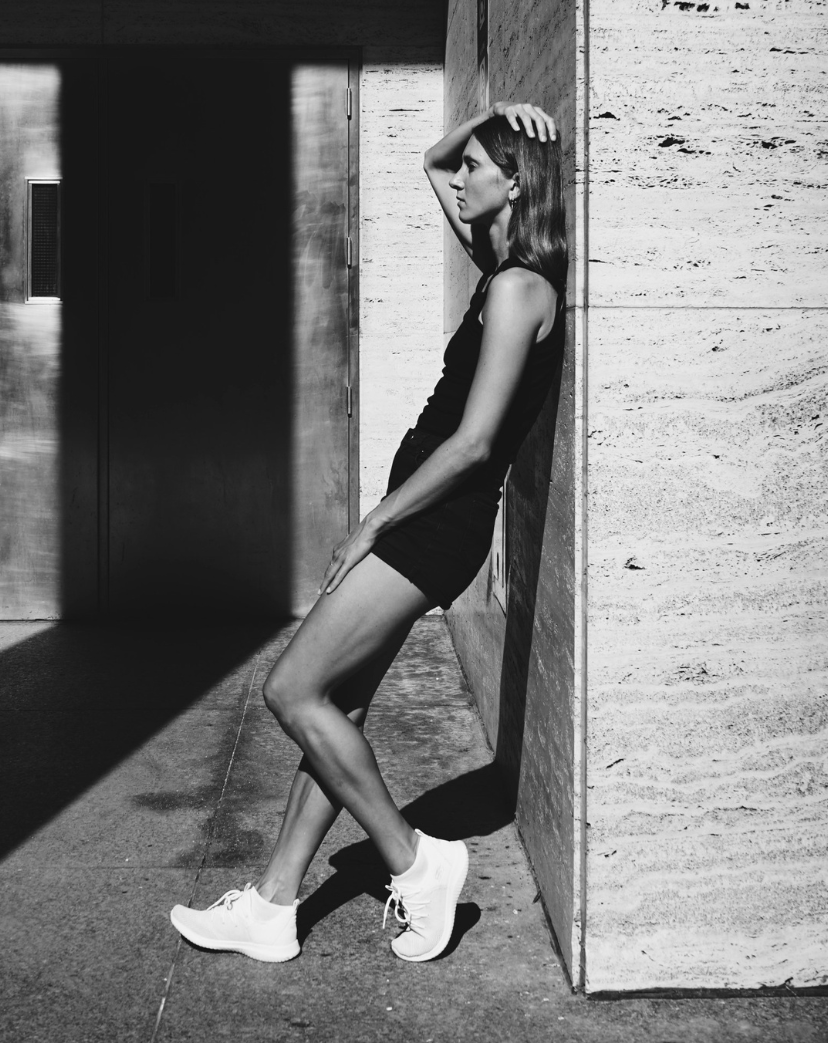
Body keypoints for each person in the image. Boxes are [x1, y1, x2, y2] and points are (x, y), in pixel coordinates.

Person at [170, 100, 567, 964]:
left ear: (515, 184)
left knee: (292, 691)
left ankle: (416, 861)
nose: (460, 178)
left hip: (431, 527)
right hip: (428, 522)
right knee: (339, 706)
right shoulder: (499, 267)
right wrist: (491, 117)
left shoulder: (521, 287)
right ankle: (273, 908)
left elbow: (473, 445)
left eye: (480, 168)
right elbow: (430, 162)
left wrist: (371, 525)